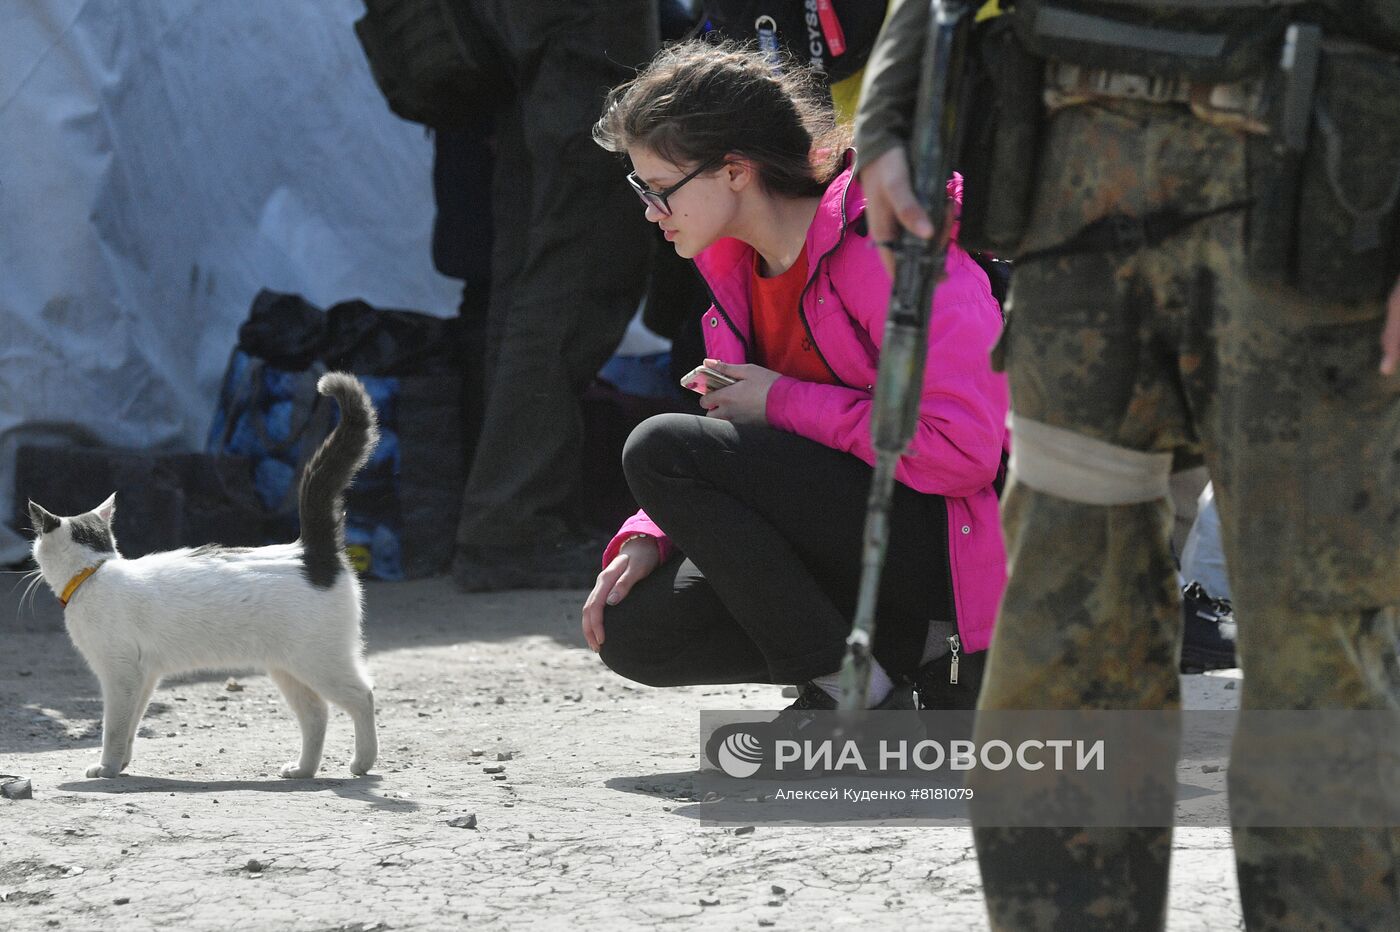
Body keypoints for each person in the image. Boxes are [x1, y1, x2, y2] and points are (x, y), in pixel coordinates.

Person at [855, 1, 1400, 928]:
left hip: (1325, 184)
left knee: (1320, 649)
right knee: (1065, 633)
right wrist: (892, 104)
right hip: (1079, 177)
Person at [579, 40, 1009, 714]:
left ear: (735, 170)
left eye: (659, 189)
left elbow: (962, 452)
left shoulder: (889, 246)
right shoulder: (732, 269)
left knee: (658, 445)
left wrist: (782, 401)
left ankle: (854, 688)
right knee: (636, 632)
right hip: (864, 542)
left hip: (949, 554)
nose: (648, 211)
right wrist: (653, 534)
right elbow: (739, 451)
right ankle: (893, 673)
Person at [447, 2, 659, 592]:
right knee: (575, 275)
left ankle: (508, 510)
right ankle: (511, 522)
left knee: (529, 279)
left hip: (539, 42)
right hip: (579, 41)